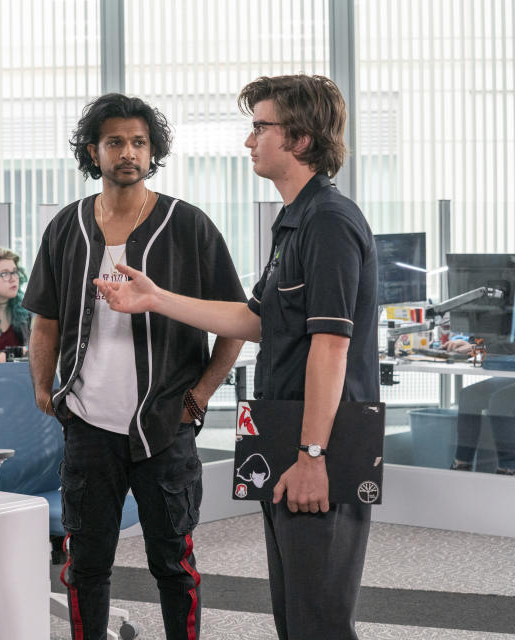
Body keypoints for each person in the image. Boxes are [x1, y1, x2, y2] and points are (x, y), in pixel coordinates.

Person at [97, 75, 378, 640]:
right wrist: (155, 298)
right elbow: (254, 321)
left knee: (318, 617)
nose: (249, 142)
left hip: (317, 442)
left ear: (299, 139)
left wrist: (313, 455)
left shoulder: (328, 222)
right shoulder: (293, 221)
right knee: (294, 611)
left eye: (260, 128)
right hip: (284, 433)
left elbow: (331, 345)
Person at [24, 93, 245, 640]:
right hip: (88, 425)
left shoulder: (187, 225)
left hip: (166, 425)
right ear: (93, 152)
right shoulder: (65, 227)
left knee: (174, 566)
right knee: (85, 566)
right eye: (115, 142)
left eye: (139, 142)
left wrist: (201, 394)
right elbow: (45, 321)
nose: (128, 152)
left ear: (154, 152)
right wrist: (42, 387)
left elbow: (237, 321)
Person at [447, 235, 515, 474]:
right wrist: (478, 346)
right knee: (469, 396)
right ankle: (460, 467)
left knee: (500, 402)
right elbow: (514, 339)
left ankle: (506, 473)